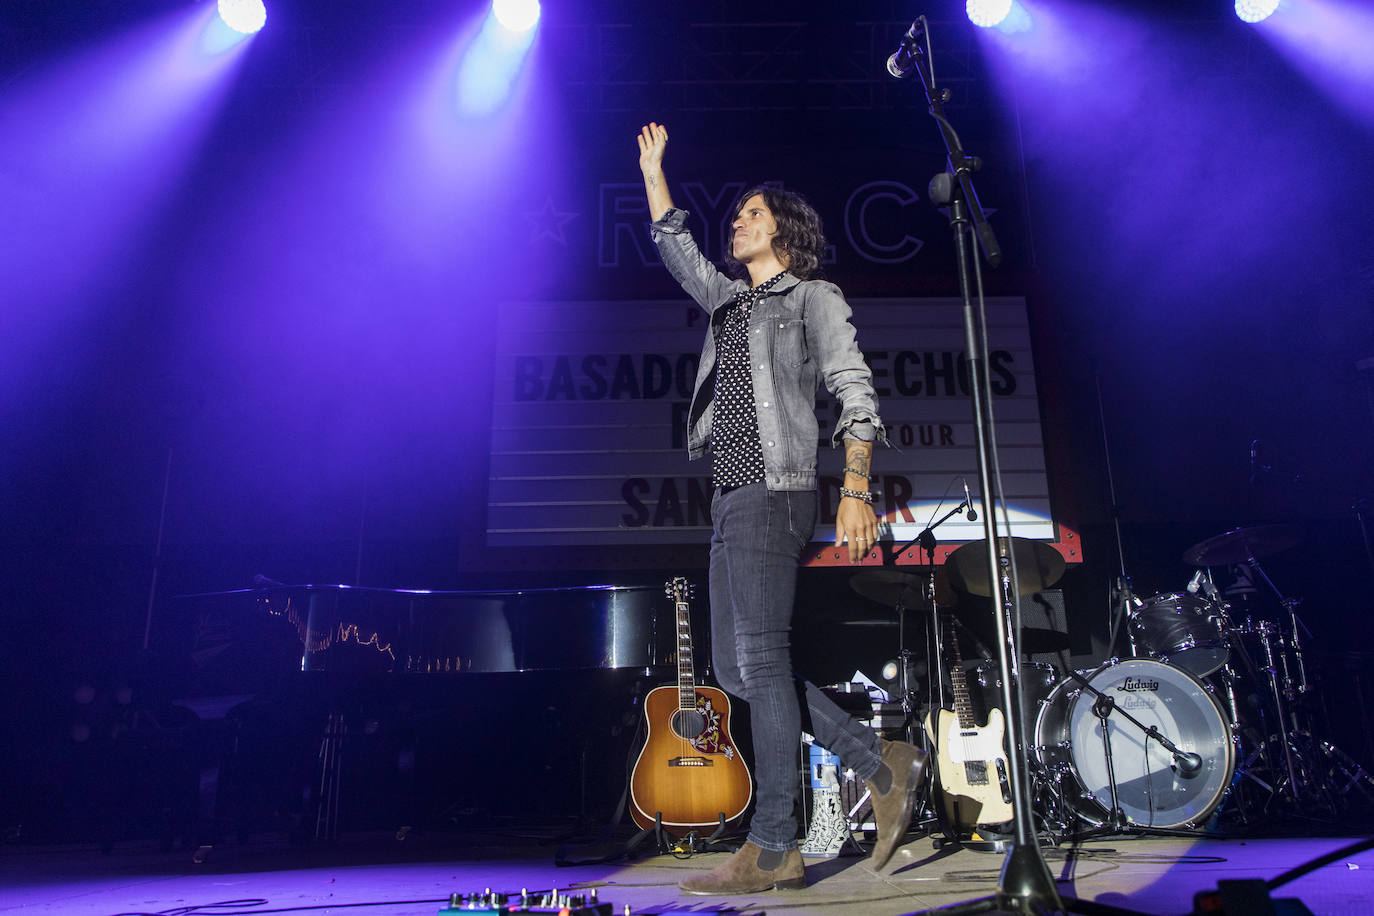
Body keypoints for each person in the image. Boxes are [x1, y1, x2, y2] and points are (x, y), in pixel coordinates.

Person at [636, 122, 928, 895]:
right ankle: (884, 764)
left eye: (753, 215)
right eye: (736, 216)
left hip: (777, 488)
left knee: (761, 661)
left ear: (786, 232)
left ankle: (773, 846)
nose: (738, 222)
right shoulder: (729, 303)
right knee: (738, 670)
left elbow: (853, 386)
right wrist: (655, 171)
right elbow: (676, 248)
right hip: (729, 497)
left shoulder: (813, 298)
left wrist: (858, 487)